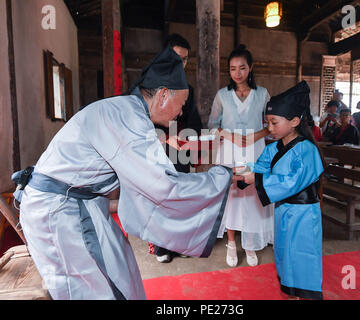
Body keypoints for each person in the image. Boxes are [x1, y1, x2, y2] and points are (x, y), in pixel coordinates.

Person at [11, 46, 233, 300]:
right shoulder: (129, 117)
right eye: (181, 104)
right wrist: (221, 177)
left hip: (77, 205)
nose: (181, 112)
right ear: (162, 95)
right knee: (100, 291)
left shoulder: (127, 111)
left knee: (122, 268)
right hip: (60, 212)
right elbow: (164, 186)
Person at [234, 80, 324, 300]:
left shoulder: (307, 149)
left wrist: (256, 178)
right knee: (284, 255)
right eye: (268, 123)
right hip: (283, 210)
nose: (270, 128)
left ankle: (305, 295)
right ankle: (290, 294)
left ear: (294, 121)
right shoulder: (274, 147)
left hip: (303, 214)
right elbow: (261, 167)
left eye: (274, 123)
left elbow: (292, 181)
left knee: (302, 257)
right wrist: (241, 171)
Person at [208, 44, 274, 268]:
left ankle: (251, 244)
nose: (237, 73)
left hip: (255, 150)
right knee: (233, 195)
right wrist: (230, 135)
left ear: (251, 68)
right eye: (233, 69)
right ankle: (231, 242)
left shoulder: (262, 94)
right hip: (230, 149)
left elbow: (274, 124)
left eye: (242, 68)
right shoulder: (222, 95)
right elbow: (212, 125)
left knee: (253, 195)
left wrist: (259, 134)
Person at [150, 34, 203, 263]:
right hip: (157, 148)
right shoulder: (151, 84)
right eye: (176, 57)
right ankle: (161, 245)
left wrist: (187, 142)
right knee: (160, 198)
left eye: (185, 59)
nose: (181, 63)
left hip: (179, 148)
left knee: (181, 198)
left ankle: (179, 243)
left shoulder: (187, 89)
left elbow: (194, 122)